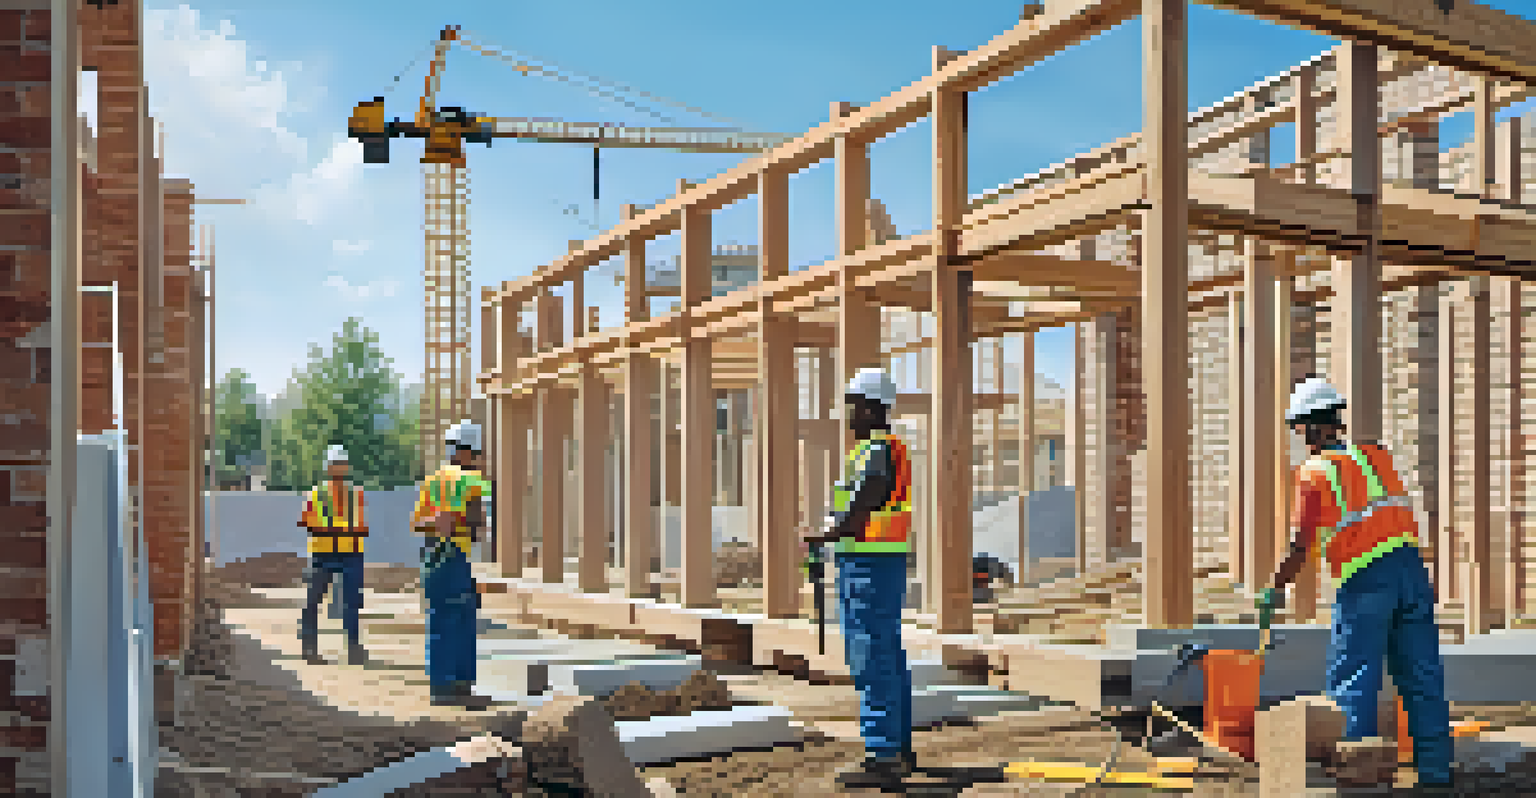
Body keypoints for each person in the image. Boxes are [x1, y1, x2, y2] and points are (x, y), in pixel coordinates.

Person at [1258, 377, 1453, 791]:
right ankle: (1436, 776)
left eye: (1297, 430)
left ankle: (1359, 780)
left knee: (1354, 675)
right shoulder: (1376, 455)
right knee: (1422, 675)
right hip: (1412, 574)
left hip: (1366, 580)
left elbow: (1300, 544)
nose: (1298, 439)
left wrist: (1275, 587)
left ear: (1310, 427)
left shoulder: (1313, 472)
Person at [802, 367, 916, 789]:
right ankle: (897, 748)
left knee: (871, 655)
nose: (849, 416)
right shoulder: (881, 449)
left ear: (870, 408)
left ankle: (883, 754)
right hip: (872, 562)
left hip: (868, 564)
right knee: (886, 653)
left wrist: (831, 532)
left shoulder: (876, 450)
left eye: (853, 407)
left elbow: (868, 496)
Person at [411, 420, 492, 707]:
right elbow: (478, 523)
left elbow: (417, 523)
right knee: (454, 618)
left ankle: (452, 685)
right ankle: (450, 687)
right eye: (477, 454)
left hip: (439, 555)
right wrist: (457, 521)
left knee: (453, 617)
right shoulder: (468, 480)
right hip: (449, 555)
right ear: (466, 452)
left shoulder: (433, 480)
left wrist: (438, 522)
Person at [297, 444, 368, 666]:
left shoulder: (356, 494)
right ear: (329, 468)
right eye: (335, 465)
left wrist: (333, 528)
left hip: (349, 552)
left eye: (341, 465)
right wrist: (342, 528)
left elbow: (362, 526)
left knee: (352, 602)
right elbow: (307, 523)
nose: (338, 469)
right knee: (314, 601)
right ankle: (310, 647)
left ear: (346, 468)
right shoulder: (315, 494)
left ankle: (353, 648)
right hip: (324, 553)